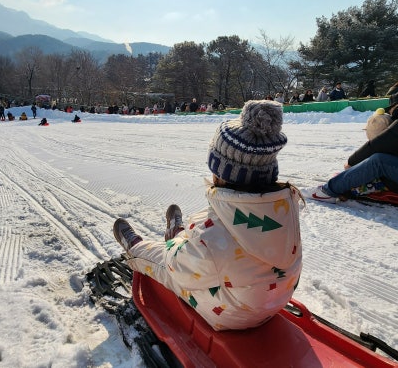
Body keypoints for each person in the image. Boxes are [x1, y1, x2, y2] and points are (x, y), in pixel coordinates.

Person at [112, 100, 303, 331]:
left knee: (165, 263)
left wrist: (176, 248)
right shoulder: (286, 208)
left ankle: (136, 247)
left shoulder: (210, 236)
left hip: (231, 315)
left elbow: (177, 269)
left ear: (220, 172)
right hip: (273, 302)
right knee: (204, 240)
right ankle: (179, 235)